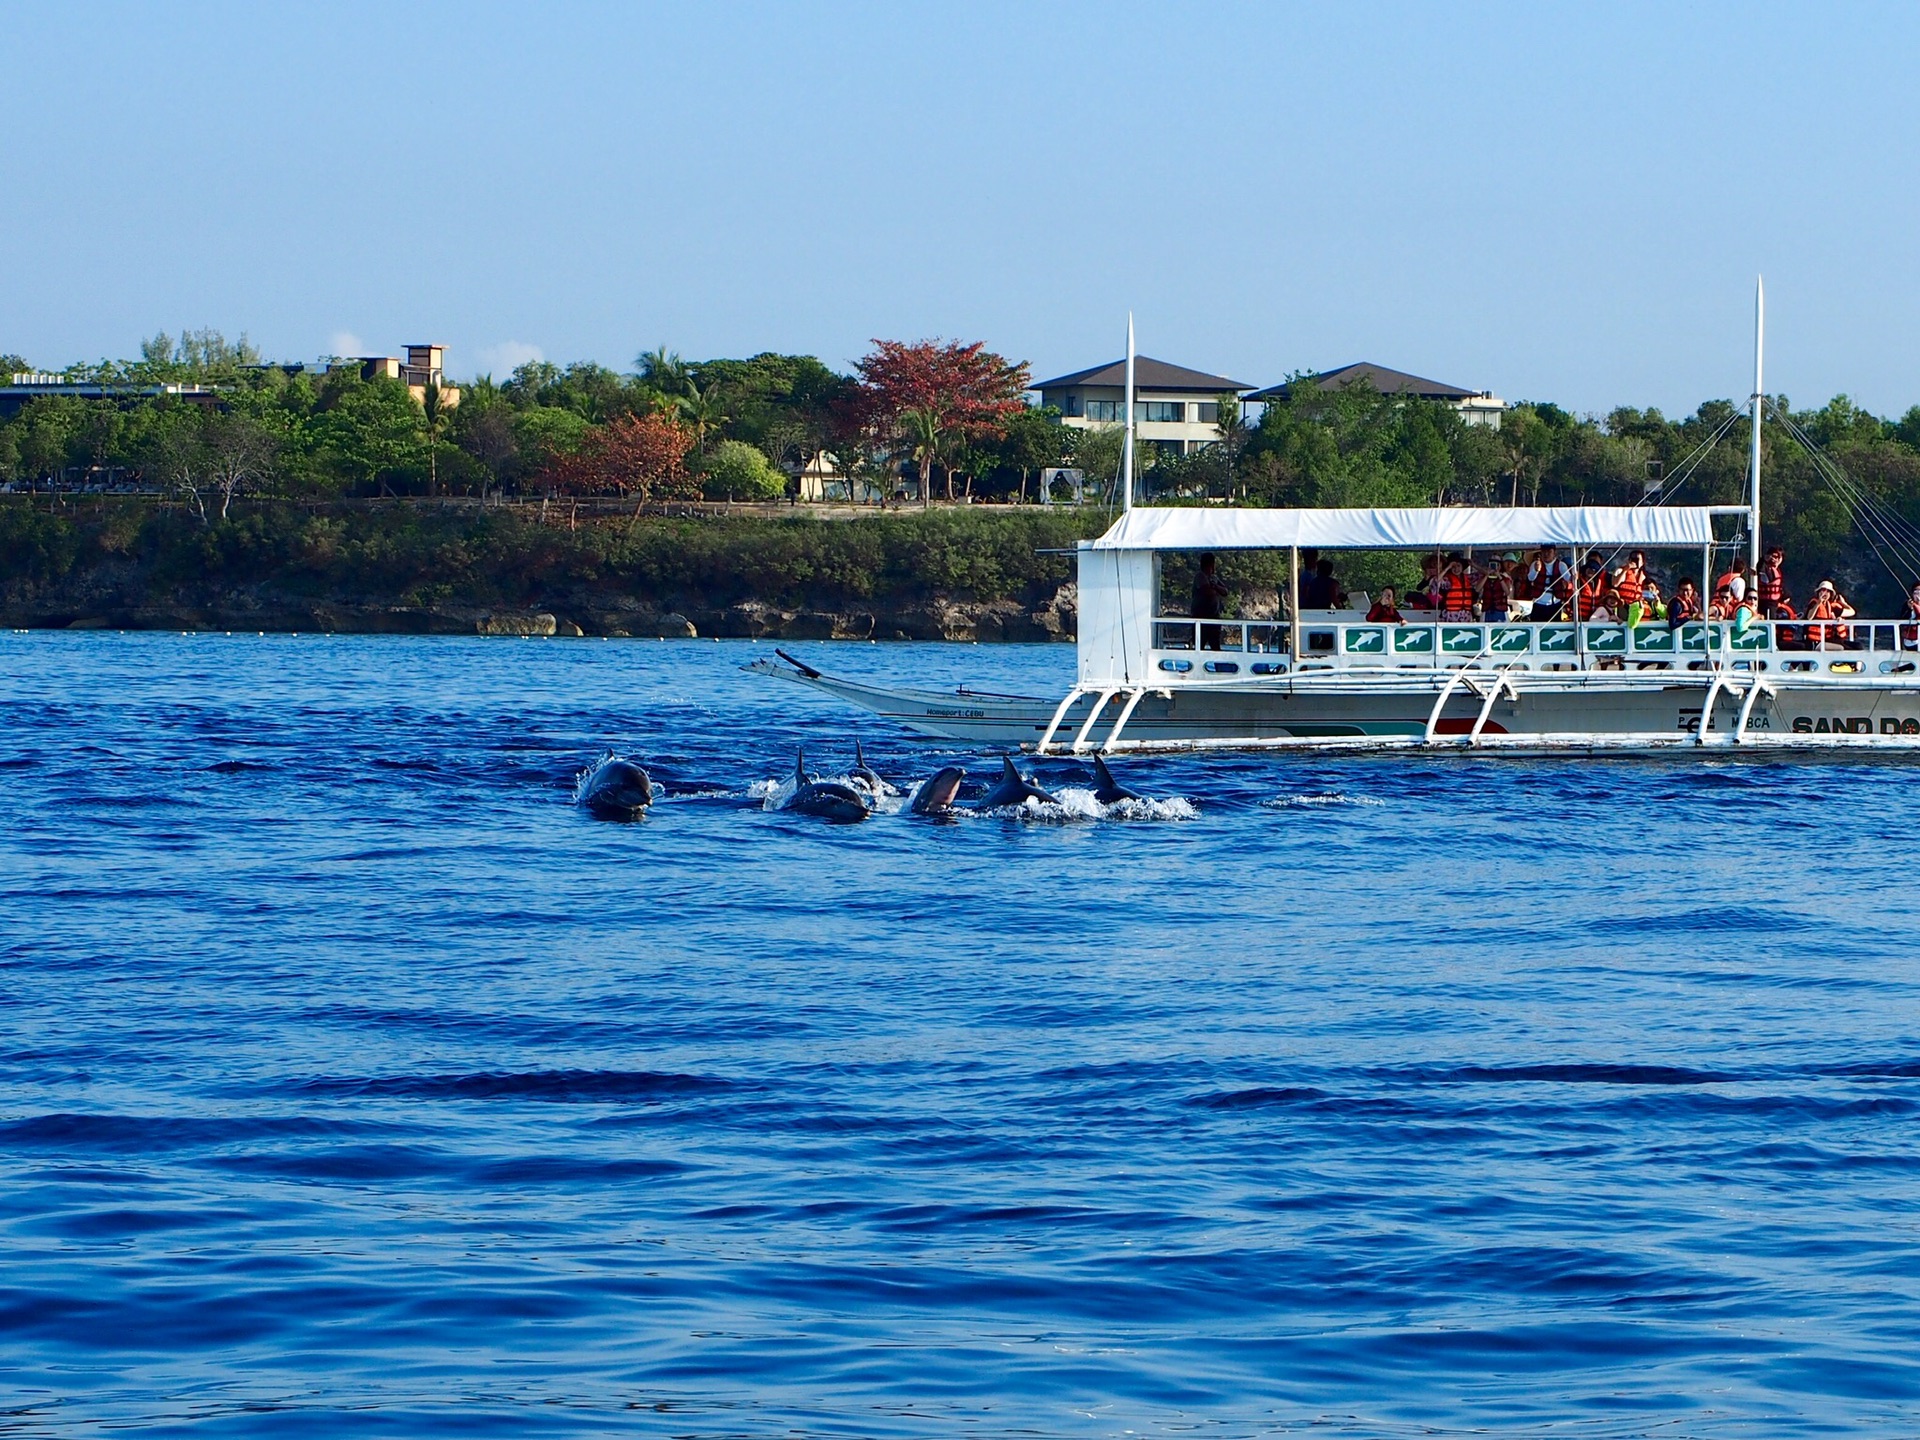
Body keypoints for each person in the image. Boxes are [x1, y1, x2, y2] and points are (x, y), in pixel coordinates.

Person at [1192, 552, 1231, 650]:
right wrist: (1215, 588)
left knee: (1215, 647)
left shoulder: (1214, 578)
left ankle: (1218, 665)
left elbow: (1225, 591)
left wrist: (1215, 586)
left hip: (1214, 618)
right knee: (1199, 647)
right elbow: (1208, 591)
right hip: (1201, 618)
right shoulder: (1200, 576)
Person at [1805, 579, 1854, 650]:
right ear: (1819, 592)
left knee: (1857, 646)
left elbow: (1852, 612)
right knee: (1843, 649)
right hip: (1816, 642)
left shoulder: (1831, 607)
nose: (1825, 593)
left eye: (1828, 591)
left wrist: (1844, 603)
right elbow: (1809, 618)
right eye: (1823, 590)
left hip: (1828, 639)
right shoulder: (1814, 603)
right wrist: (1819, 603)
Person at [1437, 554, 1476, 620]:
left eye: (1458, 566)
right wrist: (1447, 567)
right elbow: (1437, 580)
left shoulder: (1468, 578)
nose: (1456, 569)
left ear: (1462, 567)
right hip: (1450, 614)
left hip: (1466, 614)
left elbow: (1486, 573)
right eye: (1453, 567)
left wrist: (1474, 565)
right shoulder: (1447, 579)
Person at [1615, 551, 1648, 627]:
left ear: (1642, 562)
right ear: (1629, 560)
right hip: (1623, 607)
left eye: (1638, 559)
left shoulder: (1644, 576)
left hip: (1637, 607)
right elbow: (1615, 584)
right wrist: (1625, 570)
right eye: (1633, 559)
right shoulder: (1621, 571)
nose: (1635, 561)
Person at [1480, 557, 1514, 622]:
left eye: (1497, 565)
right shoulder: (1484, 578)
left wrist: (1499, 577)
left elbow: (1507, 592)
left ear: (1500, 566)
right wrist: (1486, 575)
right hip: (1487, 611)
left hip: (1500, 611)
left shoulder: (1505, 579)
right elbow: (1477, 589)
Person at [1756, 545, 1787, 617]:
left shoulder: (1777, 571)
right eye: (1774, 557)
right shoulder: (1767, 569)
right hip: (1766, 604)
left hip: (1775, 604)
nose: (1776, 559)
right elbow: (1761, 570)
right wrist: (1764, 560)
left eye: (1778, 557)